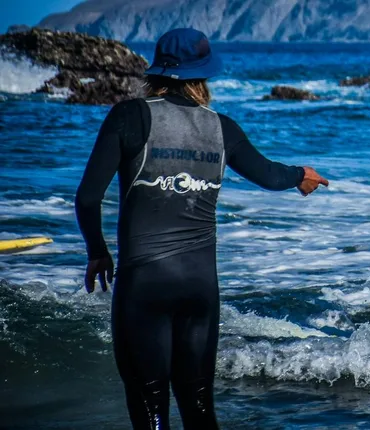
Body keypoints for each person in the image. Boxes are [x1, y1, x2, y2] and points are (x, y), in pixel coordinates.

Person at [75, 28, 329, 429]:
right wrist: (301, 175)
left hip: (145, 283)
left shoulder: (129, 116)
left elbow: (88, 199)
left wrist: (97, 252)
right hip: (200, 288)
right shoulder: (221, 128)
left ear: (157, 72)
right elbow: (267, 174)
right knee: (199, 409)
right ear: (204, 74)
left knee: (150, 408)